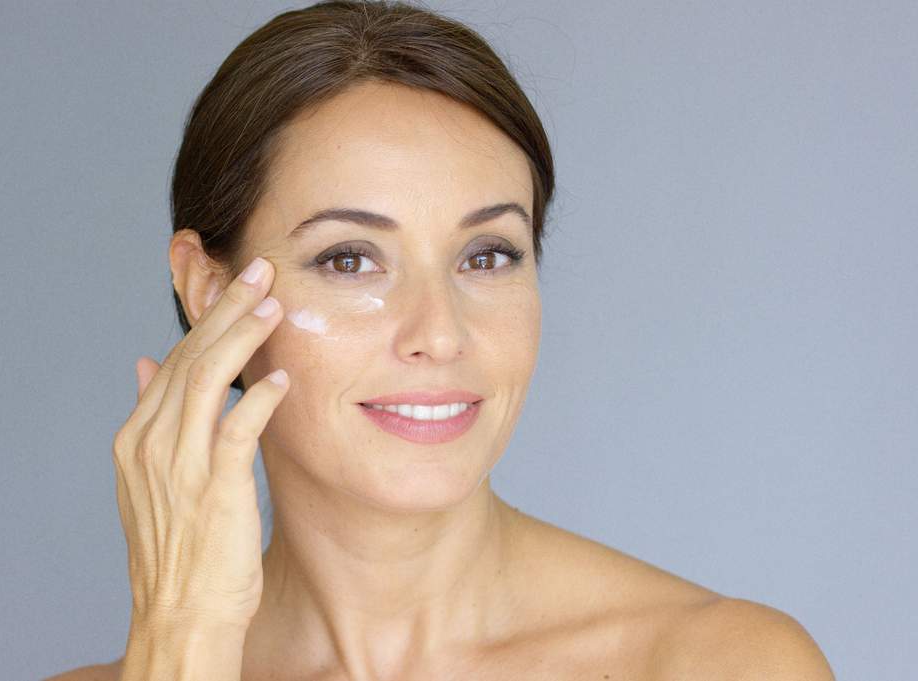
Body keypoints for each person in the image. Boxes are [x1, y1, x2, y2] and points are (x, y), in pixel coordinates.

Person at [48, 1, 834, 679]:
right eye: (349, 259)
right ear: (209, 290)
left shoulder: (723, 663)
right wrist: (182, 640)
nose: (439, 332)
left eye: (486, 256)